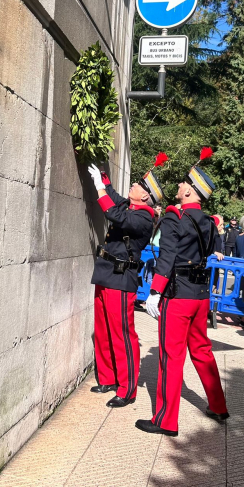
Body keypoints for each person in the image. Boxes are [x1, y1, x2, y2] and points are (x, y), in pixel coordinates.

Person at [136, 152, 228, 436]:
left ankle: (165, 421)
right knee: (202, 351)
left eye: (183, 182)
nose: (178, 185)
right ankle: (218, 406)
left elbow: (168, 256)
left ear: (189, 190)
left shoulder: (175, 218)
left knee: (171, 356)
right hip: (202, 296)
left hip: (178, 296)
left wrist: (154, 291)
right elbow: (213, 249)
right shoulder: (210, 223)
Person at [87, 160, 159, 407]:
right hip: (106, 271)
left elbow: (114, 213)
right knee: (104, 330)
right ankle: (108, 378)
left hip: (121, 277)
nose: (134, 186)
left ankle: (127, 389)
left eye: (138, 186)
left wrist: (99, 189)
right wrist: (105, 180)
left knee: (122, 335)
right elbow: (117, 199)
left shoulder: (144, 219)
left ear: (146, 196)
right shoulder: (132, 207)